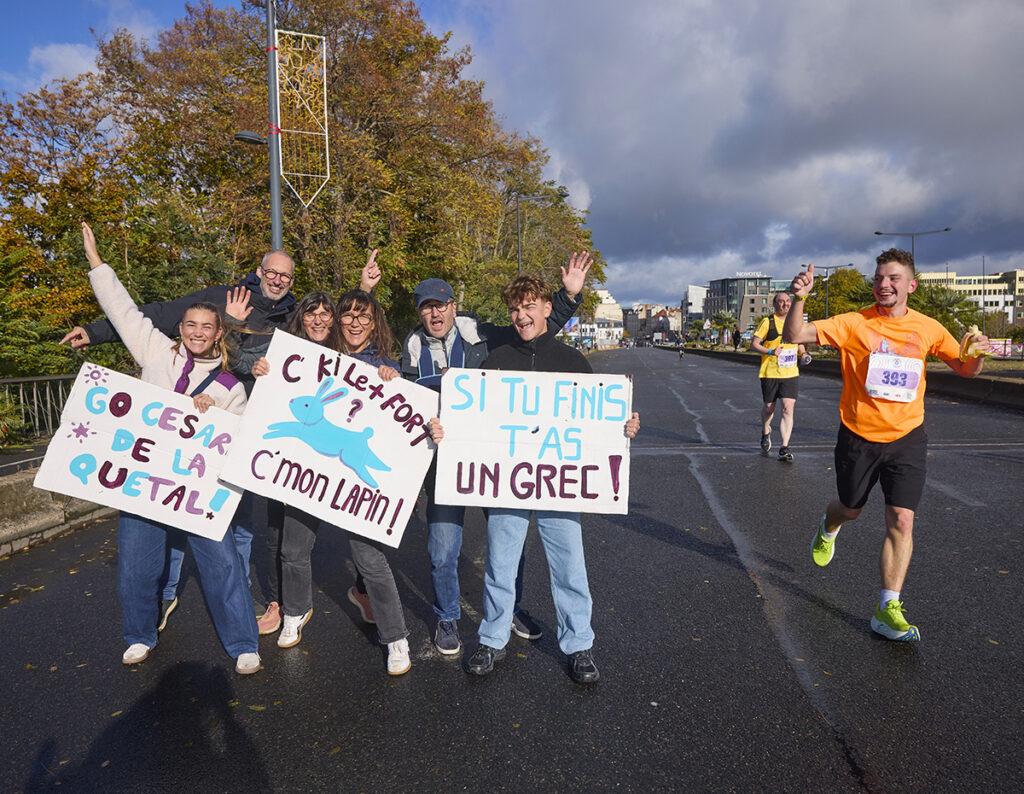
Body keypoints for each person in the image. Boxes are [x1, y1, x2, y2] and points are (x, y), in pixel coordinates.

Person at [428, 273, 640, 683]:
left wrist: (624, 427)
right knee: (500, 565)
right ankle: (492, 639)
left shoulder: (574, 362)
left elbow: (602, 422)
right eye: (514, 309)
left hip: (559, 486)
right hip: (508, 484)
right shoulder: (496, 360)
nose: (521, 316)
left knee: (569, 567)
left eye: (529, 307)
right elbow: (471, 420)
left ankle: (579, 646)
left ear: (547, 308)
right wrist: (444, 430)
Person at [79, 222, 260, 674]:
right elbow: (123, 312)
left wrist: (213, 416)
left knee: (223, 566)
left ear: (218, 334)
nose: (198, 333)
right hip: (144, 479)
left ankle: (243, 644)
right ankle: (139, 634)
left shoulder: (230, 386)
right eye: (191, 325)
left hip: (198, 490)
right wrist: (97, 263)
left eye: (207, 327)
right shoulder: (157, 353)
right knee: (136, 565)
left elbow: (236, 438)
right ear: (180, 328)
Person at [783, 250, 989, 642]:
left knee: (902, 520)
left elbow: (966, 369)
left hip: (907, 437)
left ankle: (887, 608)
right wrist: (800, 298)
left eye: (893, 278)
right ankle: (829, 526)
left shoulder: (928, 327)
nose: (884, 284)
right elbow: (795, 336)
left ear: (911, 285)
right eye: (878, 278)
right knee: (850, 508)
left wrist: (977, 354)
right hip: (858, 436)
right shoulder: (854, 323)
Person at [400, 254, 591, 656]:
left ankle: (511, 612)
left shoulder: (483, 336)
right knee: (442, 548)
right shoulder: (411, 350)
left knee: (507, 547)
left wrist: (569, 296)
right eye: (426, 307)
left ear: (453, 306)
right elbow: (400, 405)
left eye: (441, 305)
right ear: (419, 313)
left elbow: (535, 328)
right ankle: (448, 617)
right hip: (444, 464)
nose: (435, 313)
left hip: (494, 462)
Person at [251, 290, 412, 674]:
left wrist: (395, 379)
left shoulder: (385, 366)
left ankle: (396, 637)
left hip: (351, 482)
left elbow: (401, 421)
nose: (355, 323)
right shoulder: (319, 356)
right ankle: (295, 611)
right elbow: (285, 380)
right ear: (339, 321)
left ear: (375, 323)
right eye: (348, 316)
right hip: (310, 476)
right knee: (293, 548)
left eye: (364, 317)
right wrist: (263, 370)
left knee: (369, 558)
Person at [751, 293, 811, 462]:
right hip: (770, 372)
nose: (785, 304)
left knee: (788, 408)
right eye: (781, 301)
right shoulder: (767, 322)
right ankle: (766, 431)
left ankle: (784, 447)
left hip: (790, 373)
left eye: (788, 301)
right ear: (775, 304)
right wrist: (771, 351)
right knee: (769, 408)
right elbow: (754, 344)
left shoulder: (795, 321)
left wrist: (804, 354)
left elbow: (799, 342)